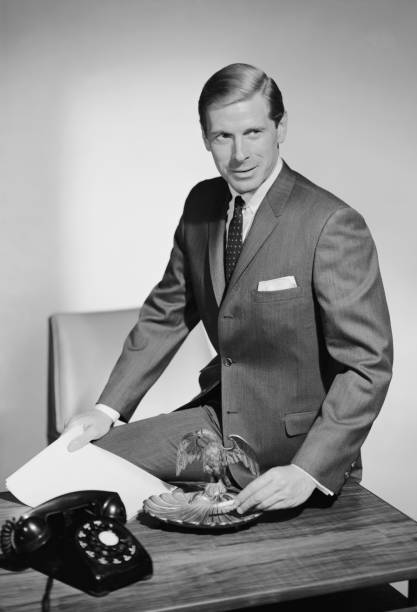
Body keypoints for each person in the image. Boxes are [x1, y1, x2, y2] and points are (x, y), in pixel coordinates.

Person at [66, 63, 393, 515]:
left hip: (293, 453)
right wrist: (106, 411)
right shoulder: (202, 203)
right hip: (216, 430)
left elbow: (367, 366)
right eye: (223, 137)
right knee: (79, 468)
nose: (240, 154)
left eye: (254, 132)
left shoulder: (331, 224)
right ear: (205, 137)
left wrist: (308, 471)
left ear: (280, 129)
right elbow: (168, 312)